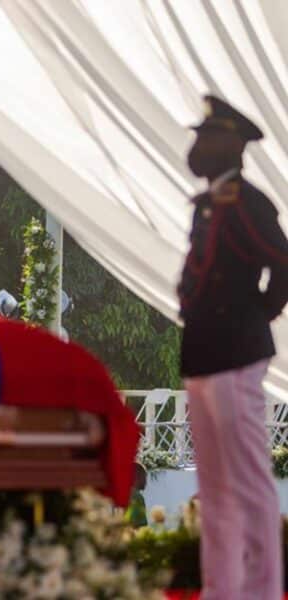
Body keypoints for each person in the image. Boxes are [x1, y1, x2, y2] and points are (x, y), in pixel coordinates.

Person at [179, 95, 288, 600]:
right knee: (216, 489)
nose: (196, 146)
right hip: (203, 354)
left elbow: (282, 260)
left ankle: (262, 592)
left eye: (206, 137)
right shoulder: (209, 204)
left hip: (235, 354)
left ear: (232, 145)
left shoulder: (247, 201)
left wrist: (259, 314)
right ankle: (222, 590)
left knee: (247, 482)